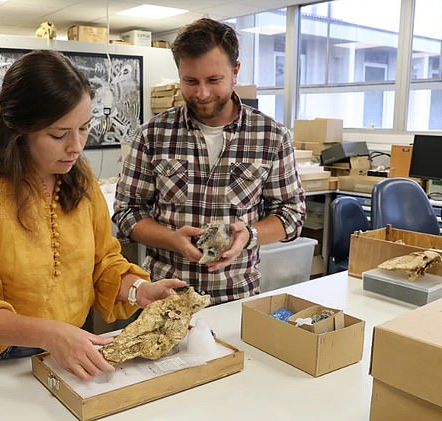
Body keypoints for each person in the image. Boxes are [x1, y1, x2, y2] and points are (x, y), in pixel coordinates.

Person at [0, 50, 185, 419]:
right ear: (19, 130)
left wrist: (139, 290)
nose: (76, 146)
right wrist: (49, 334)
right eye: (58, 134)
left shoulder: (80, 179)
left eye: (84, 128)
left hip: (63, 356)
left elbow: (103, 262)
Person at [113, 18, 306, 305]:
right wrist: (172, 239)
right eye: (190, 81)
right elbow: (127, 212)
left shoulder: (271, 137)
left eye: (214, 80)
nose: (202, 94)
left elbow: (291, 214)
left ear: (235, 71)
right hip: (167, 299)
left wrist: (249, 235)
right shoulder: (152, 135)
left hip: (237, 298)